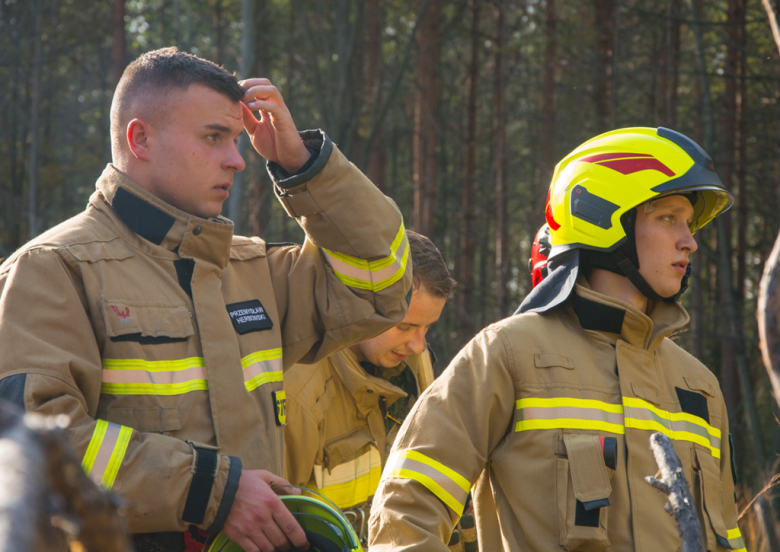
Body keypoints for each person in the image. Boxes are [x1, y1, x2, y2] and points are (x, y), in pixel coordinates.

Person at [0, 47, 413, 552]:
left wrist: (303, 166)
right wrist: (211, 492)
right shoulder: (51, 269)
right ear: (141, 138)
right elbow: (28, 450)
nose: (239, 160)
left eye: (238, 140)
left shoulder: (251, 270)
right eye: (215, 137)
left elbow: (383, 283)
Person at [368, 127, 747, 552]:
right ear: (604, 217)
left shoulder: (699, 386)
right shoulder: (509, 354)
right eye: (668, 218)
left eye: (689, 224)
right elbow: (405, 512)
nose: (690, 242)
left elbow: (728, 535)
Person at [283, 231, 454, 519]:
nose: (418, 345)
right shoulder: (298, 395)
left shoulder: (412, 359)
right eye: (405, 326)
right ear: (358, 302)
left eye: (427, 328)